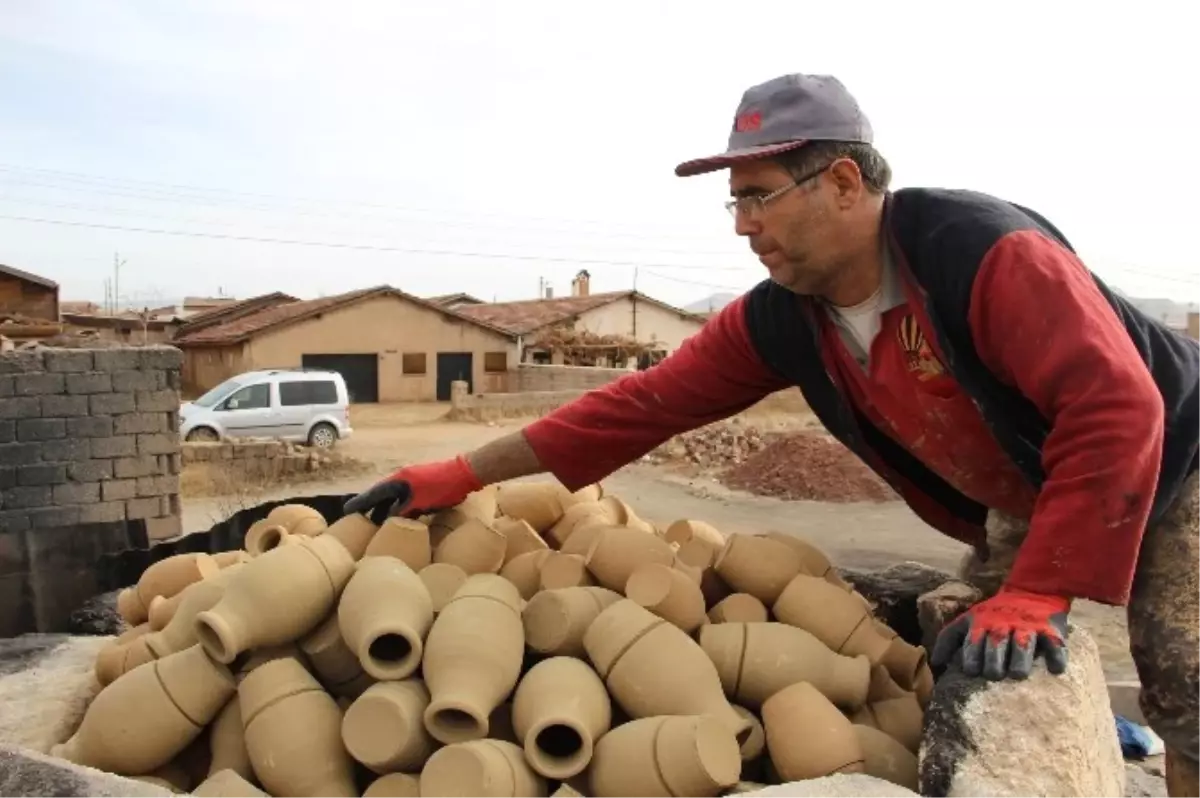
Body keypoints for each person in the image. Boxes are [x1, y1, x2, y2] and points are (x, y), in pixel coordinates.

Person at [346, 74, 1200, 791]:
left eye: (759, 197)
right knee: (967, 651)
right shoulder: (789, 318)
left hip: (1180, 454)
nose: (744, 224)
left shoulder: (979, 253)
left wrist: (1044, 588)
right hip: (1035, 481)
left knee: (1186, 685)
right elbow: (640, 406)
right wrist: (459, 473)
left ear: (840, 183)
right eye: (736, 203)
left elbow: (1118, 408)